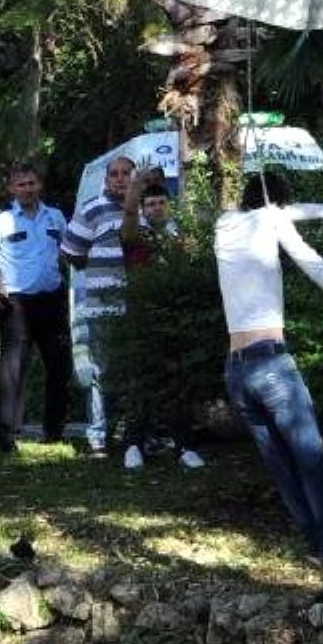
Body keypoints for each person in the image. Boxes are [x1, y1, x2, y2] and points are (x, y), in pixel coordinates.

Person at [215, 169, 323, 598]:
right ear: (276, 204)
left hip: (235, 372)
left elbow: (285, 214)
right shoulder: (272, 221)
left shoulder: (225, 224)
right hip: (270, 365)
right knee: (312, 459)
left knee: (284, 471)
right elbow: (310, 260)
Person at [0, 160, 72, 453]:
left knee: (59, 366)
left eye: (32, 183)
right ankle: (6, 433)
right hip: (17, 304)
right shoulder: (0, 220)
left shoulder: (55, 217)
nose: (28, 189)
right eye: (21, 184)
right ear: (12, 189)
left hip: (51, 301)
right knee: (11, 371)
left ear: (39, 185)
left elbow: (68, 251)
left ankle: (54, 431)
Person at [119, 180, 206, 471]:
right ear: (144, 209)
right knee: (141, 382)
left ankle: (185, 446)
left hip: (174, 318)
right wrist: (134, 188)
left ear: (170, 206)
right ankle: (133, 444)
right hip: (141, 317)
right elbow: (128, 221)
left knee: (178, 384)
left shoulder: (182, 235)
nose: (156, 208)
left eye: (161, 203)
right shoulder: (135, 235)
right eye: (150, 204)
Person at [58, 153, 135, 460]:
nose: (119, 178)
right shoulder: (91, 210)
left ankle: (133, 436)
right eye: (114, 174)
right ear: (106, 180)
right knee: (102, 372)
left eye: (125, 173)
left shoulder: (143, 208)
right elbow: (71, 253)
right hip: (103, 306)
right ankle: (98, 438)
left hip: (137, 305)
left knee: (134, 373)